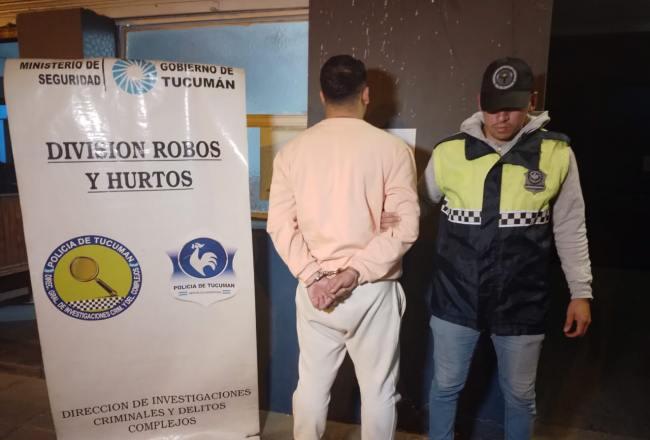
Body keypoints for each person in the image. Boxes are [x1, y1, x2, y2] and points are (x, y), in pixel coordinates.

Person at [384, 57, 593, 439]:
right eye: (493, 107)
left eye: (512, 107)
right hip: (455, 298)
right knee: (445, 388)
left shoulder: (557, 154)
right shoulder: (449, 153)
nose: (501, 118)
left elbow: (570, 226)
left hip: (522, 301)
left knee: (520, 397)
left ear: (531, 101)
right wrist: (384, 221)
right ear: (479, 101)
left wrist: (581, 292)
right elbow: (418, 205)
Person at [267, 54, 419, 440]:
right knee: (379, 392)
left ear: (322, 96)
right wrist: (354, 272)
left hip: (316, 290)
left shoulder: (292, 152)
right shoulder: (392, 150)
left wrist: (314, 276)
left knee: (311, 386)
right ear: (366, 94)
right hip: (372, 288)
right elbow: (405, 227)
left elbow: (280, 226)